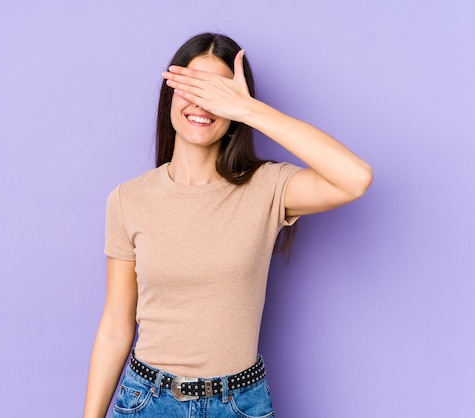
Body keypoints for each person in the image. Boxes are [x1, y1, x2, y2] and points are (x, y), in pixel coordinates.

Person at [83, 32, 373, 418]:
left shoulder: (267, 188)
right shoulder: (128, 200)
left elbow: (355, 178)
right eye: (193, 87)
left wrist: (249, 109)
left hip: (239, 404)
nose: (203, 103)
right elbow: (116, 325)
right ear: (170, 93)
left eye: (218, 92)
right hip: (146, 401)